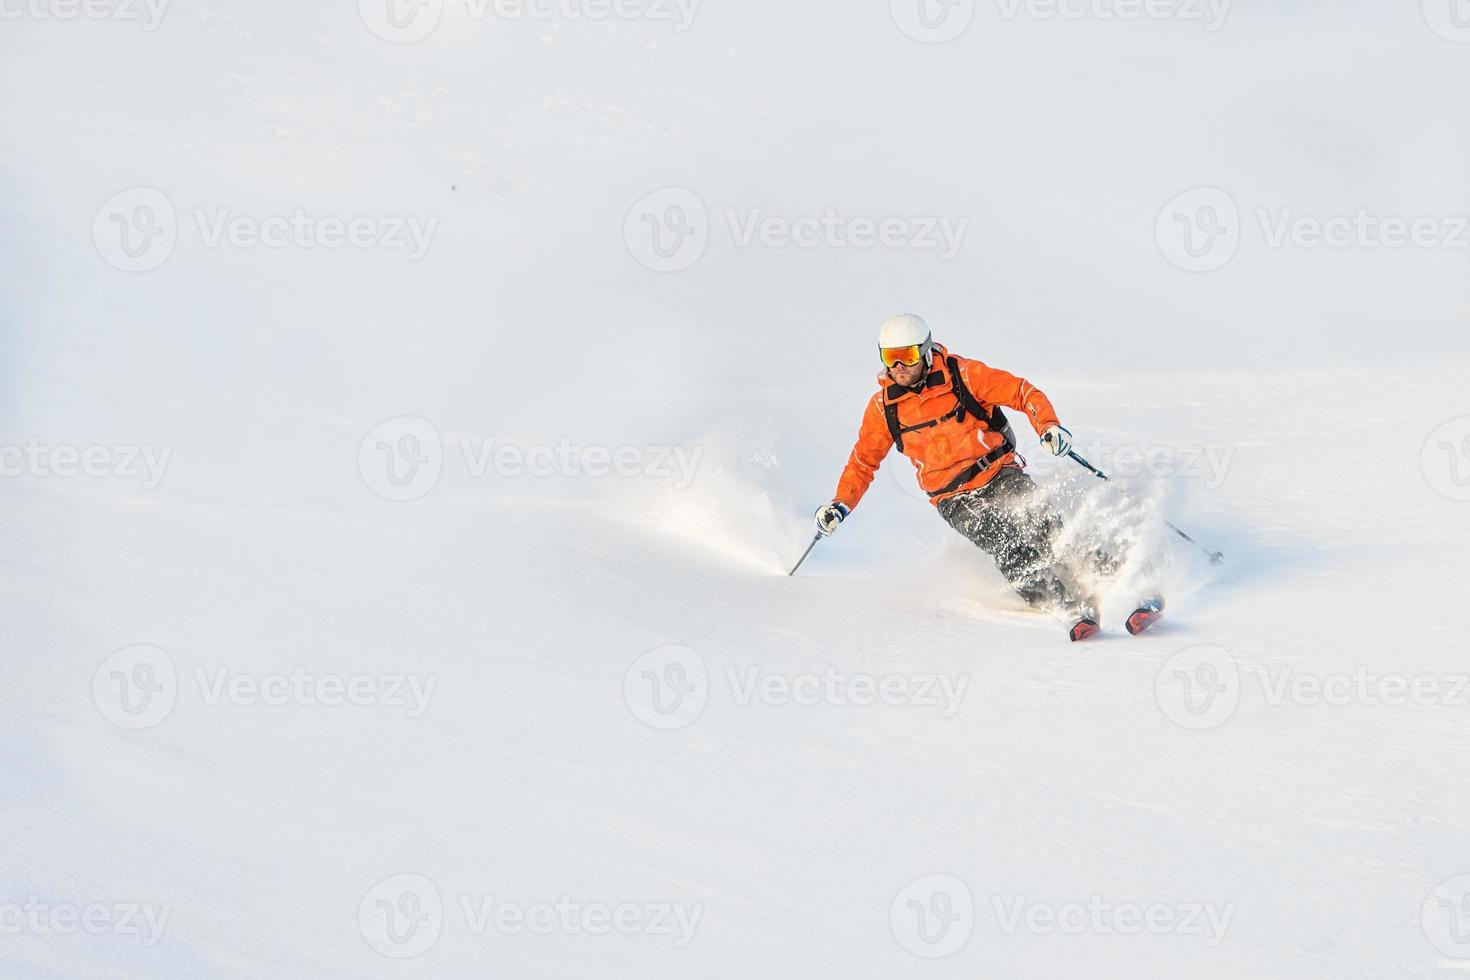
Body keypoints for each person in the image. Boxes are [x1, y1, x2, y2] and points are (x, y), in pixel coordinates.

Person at [815, 314, 1145, 640]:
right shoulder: (883, 408)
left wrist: (1048, 426)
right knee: (1004, 541)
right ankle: (1064, 604)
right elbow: (863, 462)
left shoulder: (963, 375)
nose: (898, 366)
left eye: (908, 356)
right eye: (890, 357)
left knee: (1046, 525)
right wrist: (839, 505)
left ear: (927, 352)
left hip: (998, 472)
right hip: (952, 497)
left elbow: (1022, 391)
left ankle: (1122, 583)